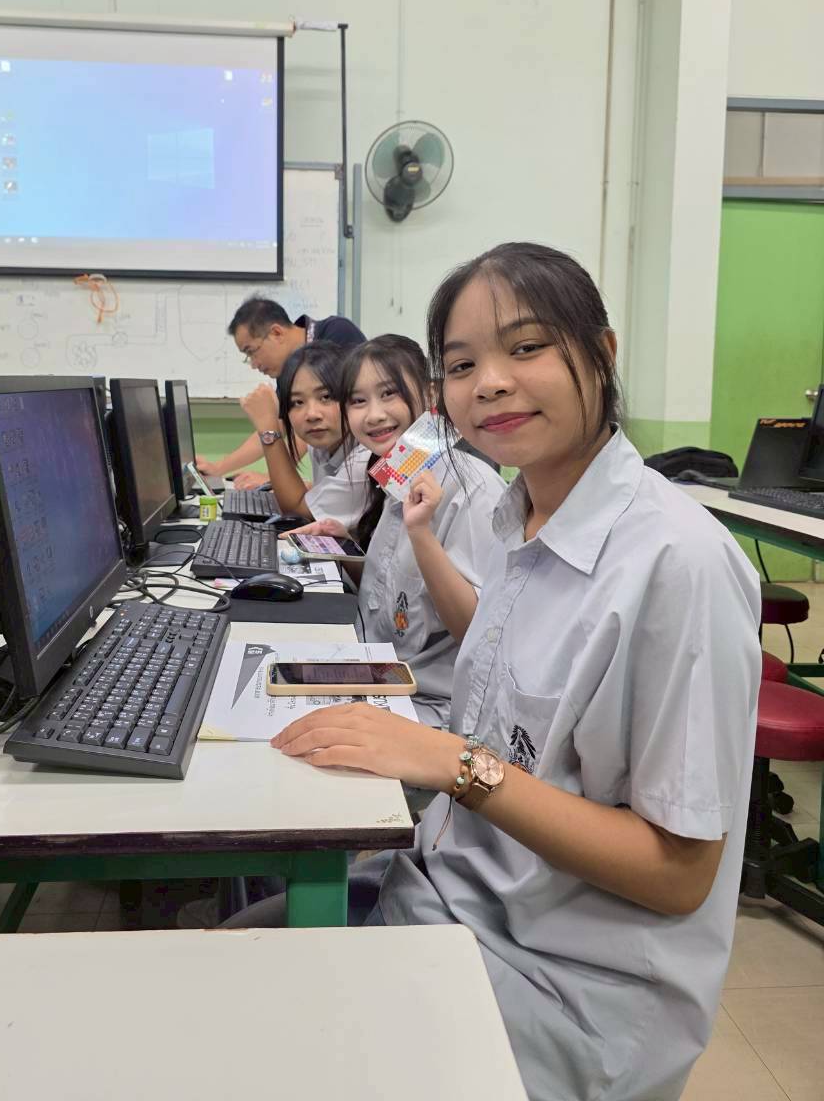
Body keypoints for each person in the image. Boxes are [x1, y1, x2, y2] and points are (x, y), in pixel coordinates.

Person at [270, 243, 761, 1101]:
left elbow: (680, 873)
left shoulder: (677, 563)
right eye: (462, 365)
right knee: (217, 961)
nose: (491, 383)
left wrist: (454, 764)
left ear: (601, 355)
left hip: (562, 985)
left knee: (245, 1028)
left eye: (527, 347)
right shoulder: (518, 519)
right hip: (446, 894)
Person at [289, 334, 505, 728]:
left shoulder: (473, 489)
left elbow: (476, 633)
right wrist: (344, 550)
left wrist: (421, 534)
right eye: (358, 401)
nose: (374, 415)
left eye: (389, 394)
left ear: (430, 394)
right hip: (377, 671)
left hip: (430, 706)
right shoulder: (397, 476)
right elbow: (390, 597)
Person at [195, 296, 365, 487]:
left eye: (251, 351)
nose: (253, 364)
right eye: (298, 403)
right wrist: (218, 468)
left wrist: (276, 478)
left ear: (276, 333)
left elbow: (311, 425)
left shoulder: (338, 333)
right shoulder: (291, 369)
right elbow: (277, 425)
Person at [240, 340, 371, 527]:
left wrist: (268, 429)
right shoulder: (321, 445)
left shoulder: (364, 460)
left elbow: (296, 511)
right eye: (297, 402)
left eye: (325, 397)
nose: (312, 414)